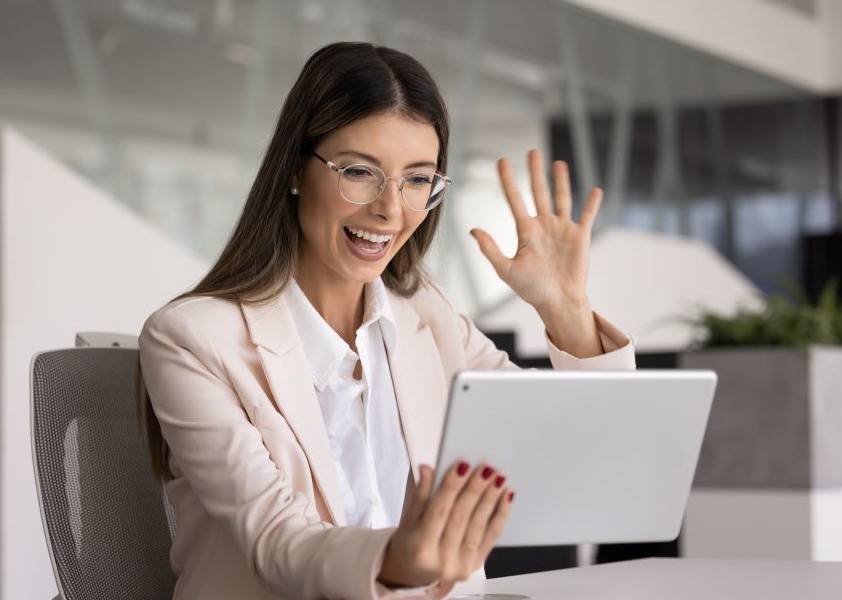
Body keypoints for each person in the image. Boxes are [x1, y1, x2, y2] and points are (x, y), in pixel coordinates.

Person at [137, 42, 635, 600]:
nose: (390, 210)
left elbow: (590, 454)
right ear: (297, 170)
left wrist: (566, 310)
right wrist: (398, 562)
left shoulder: (429, 318)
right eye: (359, 172)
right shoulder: (193, 339)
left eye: (418, 180)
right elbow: (277, 545)